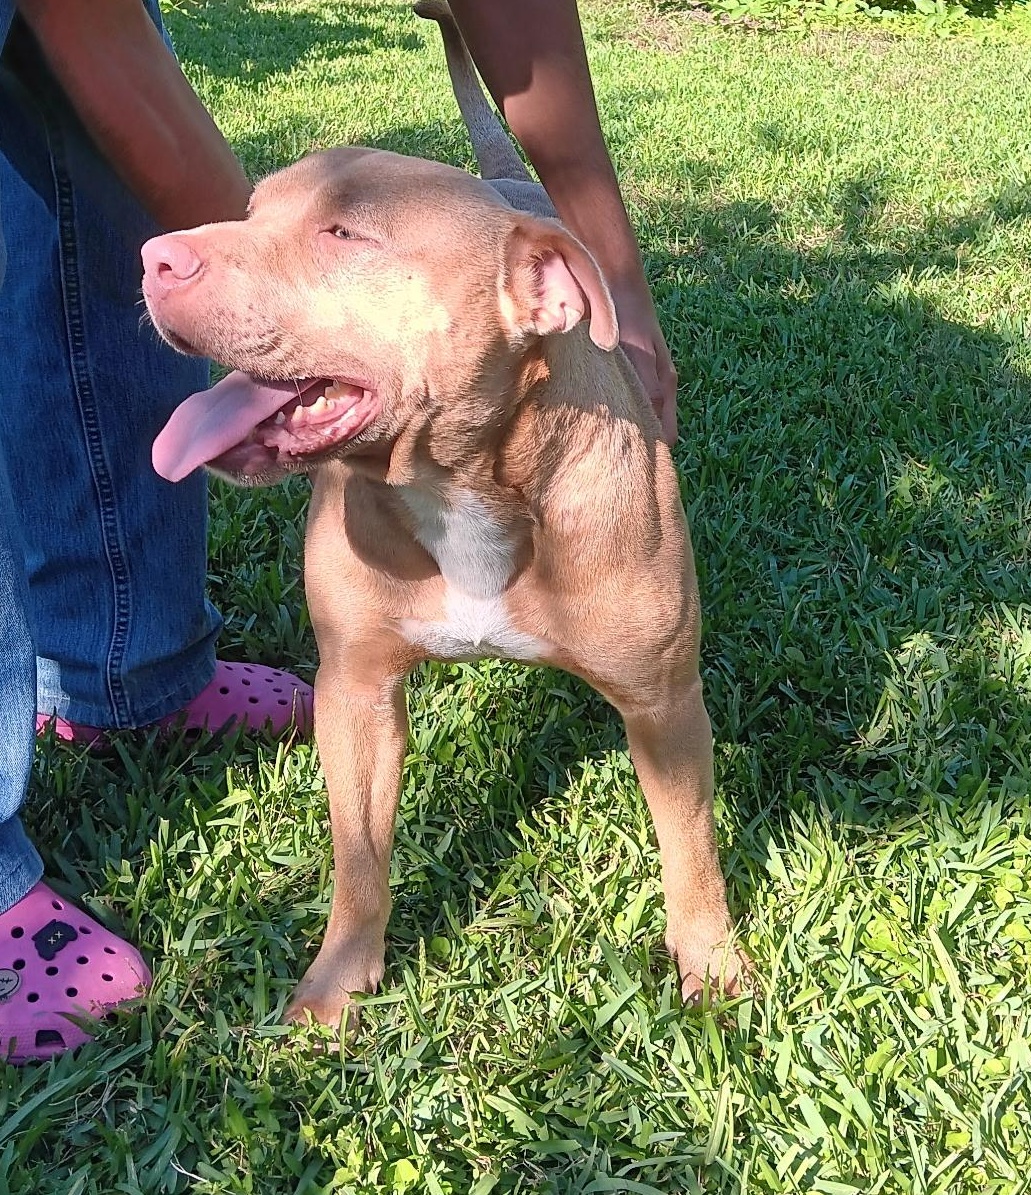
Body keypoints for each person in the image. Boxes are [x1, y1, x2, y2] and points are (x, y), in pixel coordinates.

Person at [0, 0, 678, 1065]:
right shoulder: (357, 486)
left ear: (545, 294)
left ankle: (135, 663)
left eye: (343, 237)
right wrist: (263, 291)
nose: (166, 255)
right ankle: (349, 935)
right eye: (272, 213)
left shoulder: (619, 487)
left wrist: (620, 283)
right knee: (355, 673)